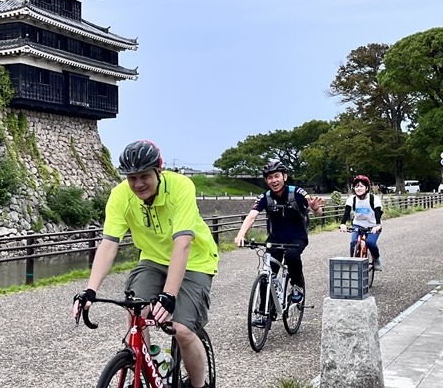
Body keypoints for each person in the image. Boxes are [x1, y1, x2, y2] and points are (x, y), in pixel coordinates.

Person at [73, 140, 218, 388]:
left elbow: (182, 244)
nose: (138, 184)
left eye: (144, 176)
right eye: (132, 178)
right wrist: (90, 290)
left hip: (195, 260)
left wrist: (169, 295)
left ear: (158, 170)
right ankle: (150, 361)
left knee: (180, 329)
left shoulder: (181, 187)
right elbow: (109, 244)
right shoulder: (120, 195)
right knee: (135, 314)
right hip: (152, 259)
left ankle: (198, 385)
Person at [234, 161, 324, 307]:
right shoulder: (265, 197)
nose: (274, 180)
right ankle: (263, 311)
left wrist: (315, 209)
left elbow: (319, 212)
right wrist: (241, 235)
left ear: (285, 177)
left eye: (277, 176)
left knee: (291, 256)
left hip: (297, 238)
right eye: (270, 178)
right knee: (266, 274)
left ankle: (296, 286)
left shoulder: (297, 193)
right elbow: (251, 216)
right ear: (266, 181)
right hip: (275, 239)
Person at [339, 175, 383, 270]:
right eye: (356, 186)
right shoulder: (352, 199)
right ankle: (353, 262)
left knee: (370, 243)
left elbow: (377, 213)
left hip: (373, 225)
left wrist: (378, 225)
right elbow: (346, 212)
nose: (359, 188)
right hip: (357, 224)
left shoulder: (374, 199)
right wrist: (342, 224)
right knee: (353, 243)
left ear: (367, 187)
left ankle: (376, 259)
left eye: (361, 186)